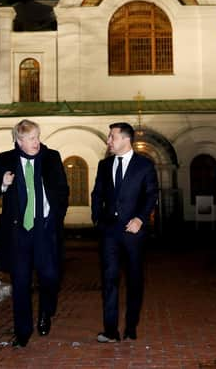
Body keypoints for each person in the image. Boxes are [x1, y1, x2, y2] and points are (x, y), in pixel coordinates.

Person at [0, 119, 69, 347]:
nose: (36, 142)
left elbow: (62, 190)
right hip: (18, 233)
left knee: (50, 278)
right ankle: (22, 332)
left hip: (45, 229)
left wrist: (56, 217)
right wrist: (2, 183)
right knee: (20, 283)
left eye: (37, 137)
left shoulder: (51, 157)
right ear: (19, 141)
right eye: (31, 139)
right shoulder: (4, 160)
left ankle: (45, 312)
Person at [91, 122, 158, 343]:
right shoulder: (104, 165)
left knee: (134, 280)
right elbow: (97, 194)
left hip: (133, 232)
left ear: (126, 139)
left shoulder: (145, 166)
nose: (108, 140)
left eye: (112, 136)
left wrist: (140, 218)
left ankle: (131, 326)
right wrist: (98, 220)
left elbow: (150, 195)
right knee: (109, 280)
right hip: (109, 232)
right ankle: (110, 330)